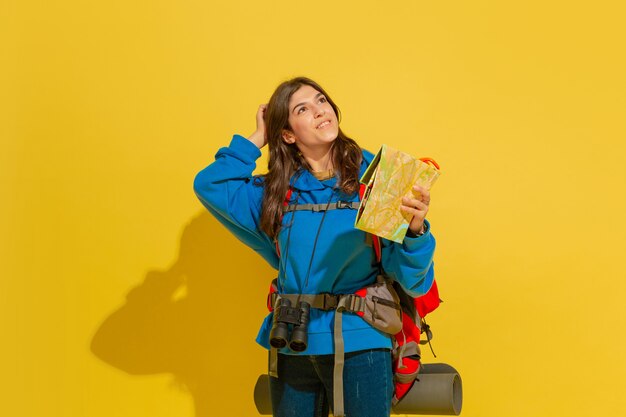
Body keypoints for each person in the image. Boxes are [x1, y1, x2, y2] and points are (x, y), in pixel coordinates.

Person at [193, 77, 436, 417]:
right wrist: (258, 138)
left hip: (360, 342)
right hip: (293, 339)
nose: (320, 111)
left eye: (321, 100)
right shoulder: (277, 194)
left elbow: (413, 281)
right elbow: (210, 183)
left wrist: (415, 230)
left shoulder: (378, 180)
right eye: (302, 109)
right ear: (288, 134)